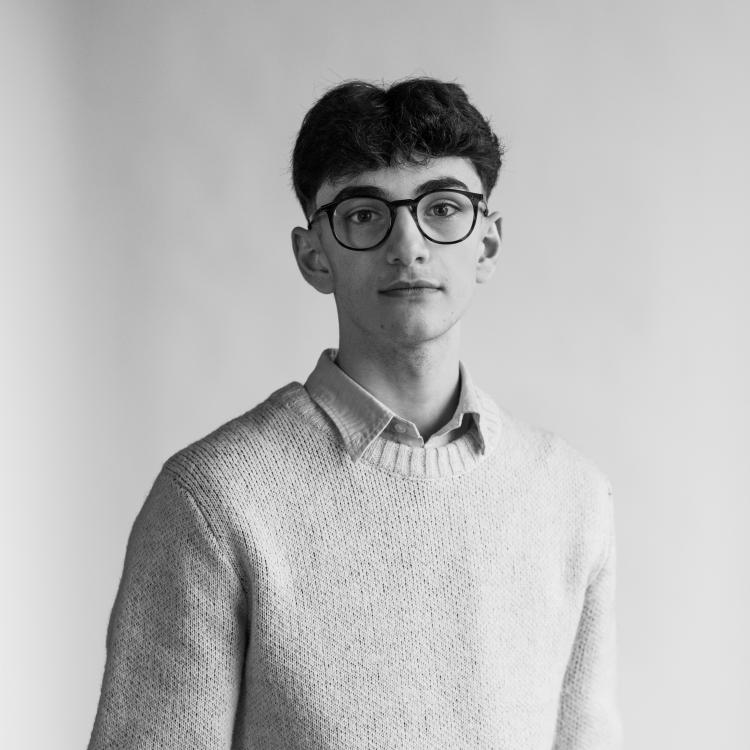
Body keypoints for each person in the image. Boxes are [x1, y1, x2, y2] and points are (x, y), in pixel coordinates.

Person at [88, 78, 621, 749]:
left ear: (486, 244)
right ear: (314, 255)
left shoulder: (571, 494)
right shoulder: (215, 501)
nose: (408, 245)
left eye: (443, 208)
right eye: (365, 215)